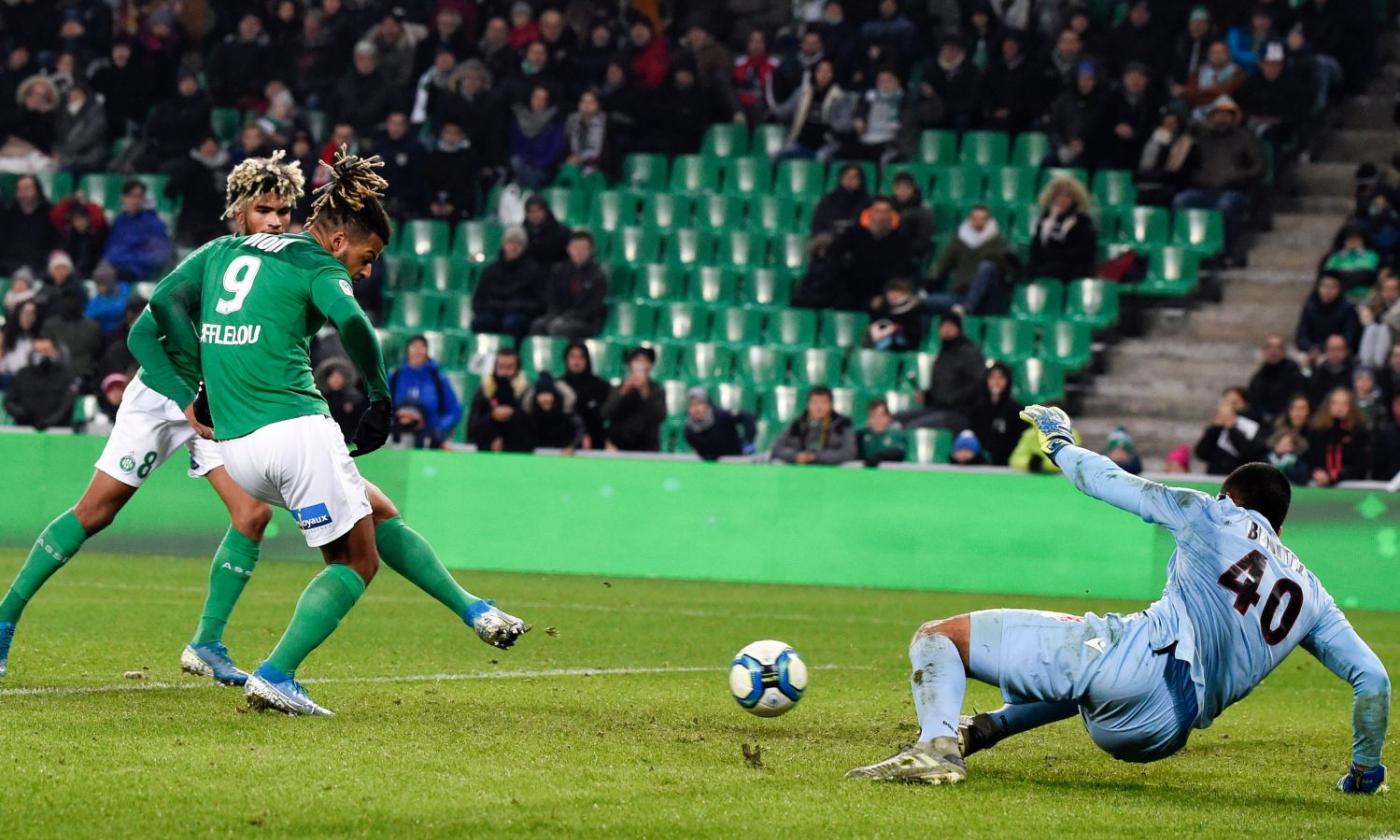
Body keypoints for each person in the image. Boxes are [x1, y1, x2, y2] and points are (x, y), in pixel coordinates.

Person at [134, 148, 527, 715]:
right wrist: (380, 394)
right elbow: (353, 323)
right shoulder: (316, 263)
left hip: (238, 450)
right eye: (367, 257)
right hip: (295, 429)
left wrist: (198, 377)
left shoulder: (223, 250)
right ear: (340, 239)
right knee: (354, 563)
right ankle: (276, 673)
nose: (366, 272)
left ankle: (474, 609)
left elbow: (164, 300)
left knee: (377, 510)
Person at [847, 405, 1390, 794]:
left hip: (1141, 668)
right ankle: (985, 728)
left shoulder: (1214, 513)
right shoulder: (1313, 596)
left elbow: (1112, 482)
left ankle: (937, 748)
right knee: (1094, 662)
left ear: (1232, 496)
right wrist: (1366, 771)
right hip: (1162, 732)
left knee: (939, 636)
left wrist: (1061, 443)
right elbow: (1374, 681)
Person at [0, 155, 309, 684]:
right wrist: (187, 396)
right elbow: (143, 335)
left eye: (284, 211)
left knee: (252, 516)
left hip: (215, 405)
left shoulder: (285, 269)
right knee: (95, 512)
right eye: (264, 210)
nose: (277, 221)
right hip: (162, 396)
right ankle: (5, 618)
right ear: (239, 211)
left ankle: (207, 643)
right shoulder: (211, 262)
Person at [1173, 96, 1264, 267]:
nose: (1222, 119)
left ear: (1233, 118)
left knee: (1226, 206)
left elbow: (1258, 167)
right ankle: (1186, 249)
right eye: (1218, 115)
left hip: (1234, 190)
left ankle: (1225, 251)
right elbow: (1184, 165)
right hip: (1204, 189)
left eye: (1226, 115)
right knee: (1182, 201)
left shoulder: (1245, 138)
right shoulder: (1201, 138)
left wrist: (1238, 177)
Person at [925, 205, 1015, 316]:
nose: (978, 221)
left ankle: (968, 308)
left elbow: (1007, 270)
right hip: (960, 295)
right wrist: (928, 284)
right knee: (923, 303)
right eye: (975, 218)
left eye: (982, 218)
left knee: (986, 267)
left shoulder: (999, 244)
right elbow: (942, 266)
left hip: (988, 299)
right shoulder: (958, 242)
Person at [901, 313, 986, 430]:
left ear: (958, 328)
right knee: (897, 419)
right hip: (938, 408)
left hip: (959, 413)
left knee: (913, 427)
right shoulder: (944, 351)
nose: (946, 329)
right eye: (943, 326)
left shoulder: (968, 352)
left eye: (950, 325)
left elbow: (978, 383)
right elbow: (943, 386)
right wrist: (927, 396)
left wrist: (952, 400)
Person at [472, 226, 545, 340]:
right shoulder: (491, 270)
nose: (513, 247)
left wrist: (517, 307)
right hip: (493, 312)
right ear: (504, 244)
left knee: (512, 323)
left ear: (524, 247)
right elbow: (478, 300)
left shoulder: (534, 271)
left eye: (518, 243)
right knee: (482, 322)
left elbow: (539, 303)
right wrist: (493, 307)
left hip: (519, 314)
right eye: (510, 242)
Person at [389, 335, 462, 449]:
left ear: (427, 352)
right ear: (407, 351)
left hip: (429, 438)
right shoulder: (395, 377)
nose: (418, 351)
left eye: (422, 347)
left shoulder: (438, 379)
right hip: (398, 436)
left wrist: (439, 427)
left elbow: (454, 410)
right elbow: (382, 406)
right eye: (414, 347)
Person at [532, 231, 607, 340]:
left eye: (583, 248)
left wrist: (567, 318)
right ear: (568, 249)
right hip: (558, 316)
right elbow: (552, 299)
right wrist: (554, 316)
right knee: (538, 325)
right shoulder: (558, 270)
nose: (579, 252)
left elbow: (591, 309)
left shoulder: (598, 276)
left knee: (564, 328)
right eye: (575, 248)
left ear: (591, 250)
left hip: (585, 321)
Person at [1028, 176, 1097, 282]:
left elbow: (1081, 254)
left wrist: (1051, 255)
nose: (1062, 199)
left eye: (1067, 196)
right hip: (1046, 265)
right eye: (1058, 195)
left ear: (1075, 199)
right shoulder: (1046, 219)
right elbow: (1035, 248)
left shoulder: (1082, 221)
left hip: (1071, 269)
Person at [102, 180, 173, 282]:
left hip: (138, 272)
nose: (135, 200)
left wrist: (126, 259)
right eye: (131, 196)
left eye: (139, 196)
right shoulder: (120, 221)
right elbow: (110, 248)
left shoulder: (153, 223)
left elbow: (161, 255)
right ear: (123, 198)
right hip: (114, 267)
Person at [466, 347, 531, 453]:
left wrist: (513, 415)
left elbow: (532, 431)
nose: (505, 372)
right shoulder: (484, 391)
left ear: (517, 369)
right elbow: (472, 429)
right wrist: (492, 417)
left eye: (510, 367)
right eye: (501, 367)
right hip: (486, 454)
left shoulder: (526, 393)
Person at [602, 346, 667, 452]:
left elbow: (659, 417)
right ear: (630, 365)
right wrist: (623, 392)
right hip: (618, 448)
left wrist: (644, 392)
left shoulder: (657, 390)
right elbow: (605, 413)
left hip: (647, 448)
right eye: (637, 360)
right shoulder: (618, 388)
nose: (640, 365)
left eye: (645, 361)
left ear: (650, 366)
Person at [3, 337, 76, 431]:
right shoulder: (22, 374)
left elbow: (66, 406)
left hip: (58, 431)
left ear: (56, 352)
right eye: (37, 351)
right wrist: (22, 415)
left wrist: (49, 422)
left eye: (46, 351)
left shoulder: (66, 376)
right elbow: (8, 401)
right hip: (24, 429)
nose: (41, 355)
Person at [771, 386, 857, 465]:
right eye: (814, 403)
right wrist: (796, 456)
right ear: (808, 404)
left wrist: (816, 457)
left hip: (831, 468)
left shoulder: (842, 424)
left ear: (831, 404)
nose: (818, 407)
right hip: (799, 466)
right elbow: (776, 449)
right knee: (776, 462)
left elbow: (849, 453)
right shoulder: (797, 423)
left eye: (823, 403)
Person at [1307, 388, 1371, 486]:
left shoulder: (1359, 432)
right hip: (1319, 482)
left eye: (1344, 404)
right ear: (1328, 406)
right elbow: (1310, 459)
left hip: (1350, 483)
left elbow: (1362, 465)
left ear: (1351, 407)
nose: (1339, 407)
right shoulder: (1317, 431)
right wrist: (1316, 473)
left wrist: (1333, 477)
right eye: (1335, 403)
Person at [1136, 108, 1199, 207]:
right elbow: (1144, 166)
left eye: (1173, 123)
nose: (1168, 126)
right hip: (1147, 182)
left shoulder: (1186, 143)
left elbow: (1182, 171)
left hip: (1172, 184)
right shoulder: (1150, 140)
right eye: (1166, 123)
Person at [1195, 390, 1267, 474]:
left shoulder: (1255, 426)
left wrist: (1232, 428)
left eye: (1235, 403)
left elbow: (1251, 453)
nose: (1230, 407)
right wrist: (1215, 428)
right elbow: (1202, 454)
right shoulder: (1217, 427)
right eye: (1226, 402)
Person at [1246, 335, 1309, 425]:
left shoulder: (1295, 375)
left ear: (1284, 351)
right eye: (1270, 347)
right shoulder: (1258, 378)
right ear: (1264, 351)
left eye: (1278, 348)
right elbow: (1254, 404)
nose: (1274, 351)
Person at [1295, 275, 1360, 362]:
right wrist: (1311, 348)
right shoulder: (1310, 307)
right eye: (1324, 286)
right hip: (1313, 350)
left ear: (1339, 289)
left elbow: (1350, 336)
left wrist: (1327, 349)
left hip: (1337, 351)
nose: (1328, 291)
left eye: (1332, 287)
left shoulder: (1347, 309)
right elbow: (1302, 335)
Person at [970, 362, 1022, 466]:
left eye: (1001, 378)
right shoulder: (976, 409)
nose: (996, 382)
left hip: (1008, 466)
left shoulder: (1016, 411)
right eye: (992, 378)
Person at [684, 387, 756, 461]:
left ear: (707, 404)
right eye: (691, 406)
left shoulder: (721, 416)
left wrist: (748, 440)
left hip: (736, 461)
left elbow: (747, 417)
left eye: (699, 404)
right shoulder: (690, 431)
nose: (696, 409)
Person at [562, 342, 610, 449]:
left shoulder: (601, 386)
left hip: (596, 442)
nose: (576, 361)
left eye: (581, 357)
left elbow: (603, 416)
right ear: (566, 359)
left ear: (587, 360)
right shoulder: (559, 386)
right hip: (564, 443)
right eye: (572, 356)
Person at [523, 372, 584, 451]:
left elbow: (579, 430)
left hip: (563, 454)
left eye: (548, 394)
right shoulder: (531, 416)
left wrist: (572, 446)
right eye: (541, 395)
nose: (545, 398)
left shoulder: (566, 413)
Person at [865, 278, 924, 351]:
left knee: (890, 342)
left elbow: (915, 331)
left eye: (899, 293)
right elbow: (875, 322)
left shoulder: (914, 309)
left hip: (903, 341)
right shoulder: (881, 305)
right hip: (879, 337)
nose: (894, 296)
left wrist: (897, 329)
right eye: (891, 292)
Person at [316, 357, 365, 443]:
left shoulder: (350, 395)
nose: (336, 380)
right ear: (327, 379)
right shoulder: (321, 396)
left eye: (339, 377)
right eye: (333, 377)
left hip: (347, 437)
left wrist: (351, 405)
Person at [1320, 225, 1381, 293]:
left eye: (1356, 238)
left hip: (1363, 297)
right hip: (1341, 297)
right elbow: (1328, 275)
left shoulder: (1371, 255)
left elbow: (1365, 276)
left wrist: (1340, 273)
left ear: (1362, 239)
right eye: (1349, 238)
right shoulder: (1336, 257)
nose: (1353, 241)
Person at [1308, 334, 1356, 407]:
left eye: (1339, 349)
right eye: (1331, 349)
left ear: (1346, 351)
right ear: (1326, 351)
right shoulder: (1319, 372)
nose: (1335, 353)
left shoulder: (1354, 371)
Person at [857, 398, 907, 467]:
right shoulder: (862, 435)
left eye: (881, 416)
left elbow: (897, 452)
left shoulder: (896, 434)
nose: (877, 420)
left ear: (889, 417)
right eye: (873, 416)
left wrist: (878, 457)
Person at [522, 195, 570, 266]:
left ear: (546, 211)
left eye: (538, 210)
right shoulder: (521, 233)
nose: (535, 215)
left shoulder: (562, 232)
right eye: (531, 211)